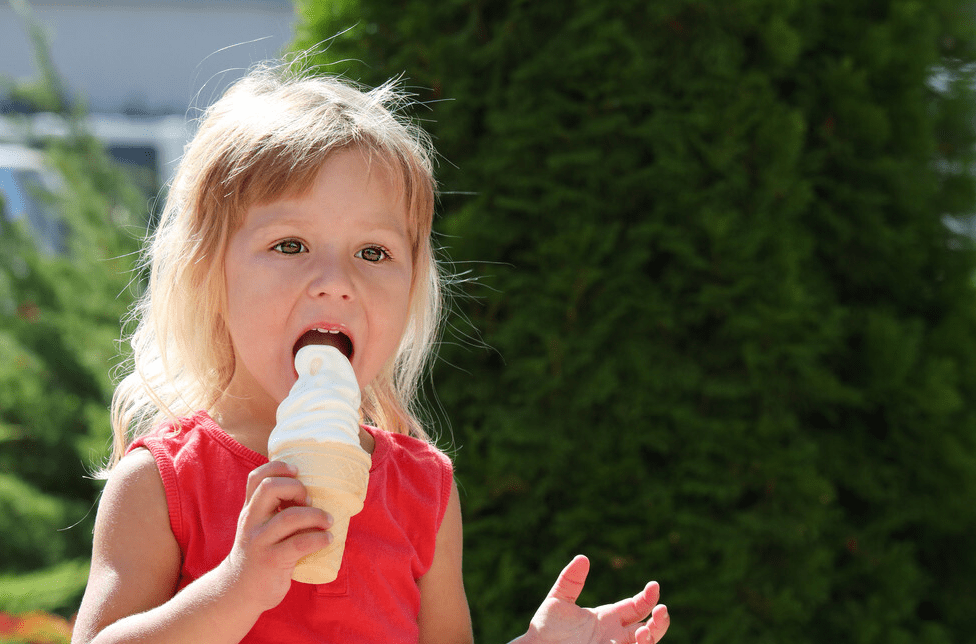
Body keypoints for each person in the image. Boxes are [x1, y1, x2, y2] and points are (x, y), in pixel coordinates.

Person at [71, 59, 670, 644]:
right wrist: (237, 586)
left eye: (373, 253)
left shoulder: (422, 490)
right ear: (208, 275)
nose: (335, 280)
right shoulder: (161, 483)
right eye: (291, 244)